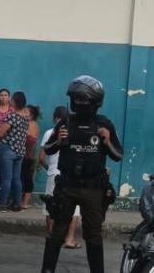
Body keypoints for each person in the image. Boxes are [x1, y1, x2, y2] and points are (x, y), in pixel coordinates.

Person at [41, 76, 123, 273]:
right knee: (57, 234)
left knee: (94, 235)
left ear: (95, 102)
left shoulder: (104, 125)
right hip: (67, 187)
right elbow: (47, 149)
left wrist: (108, 142)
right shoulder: (65, 122)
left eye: (84, 100)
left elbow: (118, 155)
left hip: (93, 190)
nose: (80, 103)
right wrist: (59, 142)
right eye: (76, 99)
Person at [39, 106, 81, 249]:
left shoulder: (49, 133)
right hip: (71, 175)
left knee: (50, 205)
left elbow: (41, 157)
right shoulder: (75, 132)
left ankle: (52, 236)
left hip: (53, 174)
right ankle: (70, 239)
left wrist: (49, 169)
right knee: (75, 209)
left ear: (54, 118)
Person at [0, 91, 29, 212]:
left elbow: (0, 133)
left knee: (6, 178)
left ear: (14, 102)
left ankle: (3, 204)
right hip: (20, 151)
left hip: (8, 150)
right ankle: (17, 204)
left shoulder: (12, 116)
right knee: (16, 178)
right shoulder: (26, 118)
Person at [21, 105, 40, 209]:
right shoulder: (34, 124)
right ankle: (24, 201)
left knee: (26, 178)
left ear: (31, 115)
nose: (23, 113)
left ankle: (25, 202)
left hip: (28, 156)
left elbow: (30, 139)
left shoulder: (29, 124)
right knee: (25, 178)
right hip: (29, 155)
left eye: (25, 112)